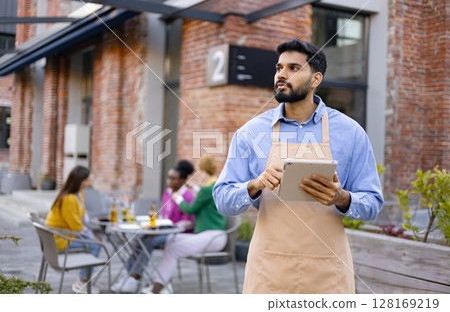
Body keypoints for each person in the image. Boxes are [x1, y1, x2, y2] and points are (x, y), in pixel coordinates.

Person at [213, 38, 384, 294]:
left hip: (327, 273)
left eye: (293, 68)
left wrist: (342, 198)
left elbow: (372, 205)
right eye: (279, 68)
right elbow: (222, 201)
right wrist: (254, 185)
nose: (281, 74)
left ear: (315, 79)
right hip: (269, 271)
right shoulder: (250, 133)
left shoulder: (351, 133)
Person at [143, 155, 227, 294]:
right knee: (171, 240)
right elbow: (201, 195)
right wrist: (192, 187)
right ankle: (164, 284)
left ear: (203, 171)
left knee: (174, 248)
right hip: (213, 236)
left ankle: (155, 290)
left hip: (211, 237)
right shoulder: (213, 186)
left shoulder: (206, 190)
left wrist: (178, 199)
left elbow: (190, 209)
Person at [111, 160, 196, 293]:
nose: (169, 181)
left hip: (178, 232)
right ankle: (132, 276)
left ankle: (134, 277)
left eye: (173, 179)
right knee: (142, 238)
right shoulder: (168, 192)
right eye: (169, 178)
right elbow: (163, 214)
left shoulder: (187, 195)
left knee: (151, 240)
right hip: (163, 228)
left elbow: (189, 221)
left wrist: (170, 226)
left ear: (182, 180)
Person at [45, 166, 103, 294]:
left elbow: (83, 217)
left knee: (94, 241)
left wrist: (91, 234)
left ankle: (83, 280)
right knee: (96, 245)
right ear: (79, 181)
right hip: (59, 239)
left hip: (65, 234)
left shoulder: (78, 193)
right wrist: (92, 237)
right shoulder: (69, 199)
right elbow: (76, 225)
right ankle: (82, 282)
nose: (88, 182)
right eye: (86, 180)